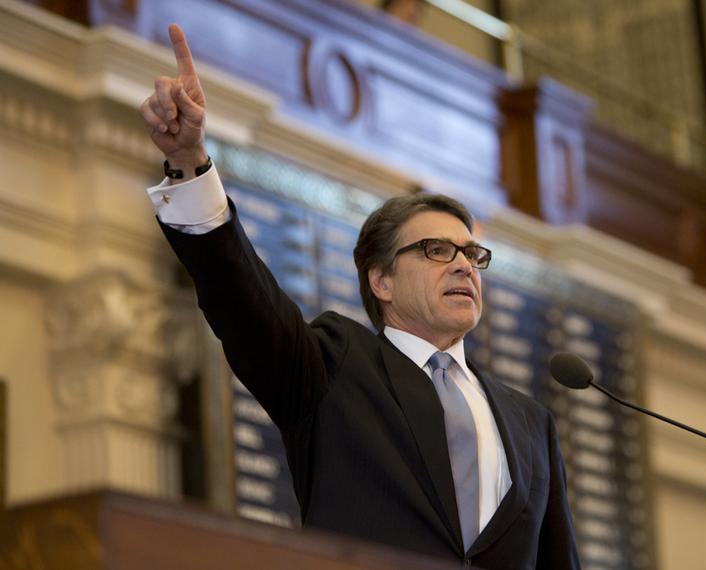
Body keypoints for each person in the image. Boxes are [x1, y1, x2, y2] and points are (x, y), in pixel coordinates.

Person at [139, 24, 581, 570]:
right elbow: (243, 300)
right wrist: (189, 160)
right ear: (381, 281)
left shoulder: (530, 422)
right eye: (438, 250)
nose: (465, 264)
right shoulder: (331, 369)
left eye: (473, 255)